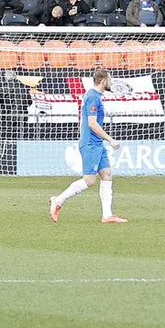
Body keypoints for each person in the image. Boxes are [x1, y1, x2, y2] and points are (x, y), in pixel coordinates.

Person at [50, 72, 126, 223]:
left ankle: (107, 215)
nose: (111, 82)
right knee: (89, 181)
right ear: (103, 81)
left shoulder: (92, 96)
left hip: (96, 143)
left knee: (107, 174)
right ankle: (58, 200)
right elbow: (91, 123)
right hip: (91, 144)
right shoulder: (92, 97)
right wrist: (110, 139)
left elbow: (83, 120)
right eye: (110, 80)